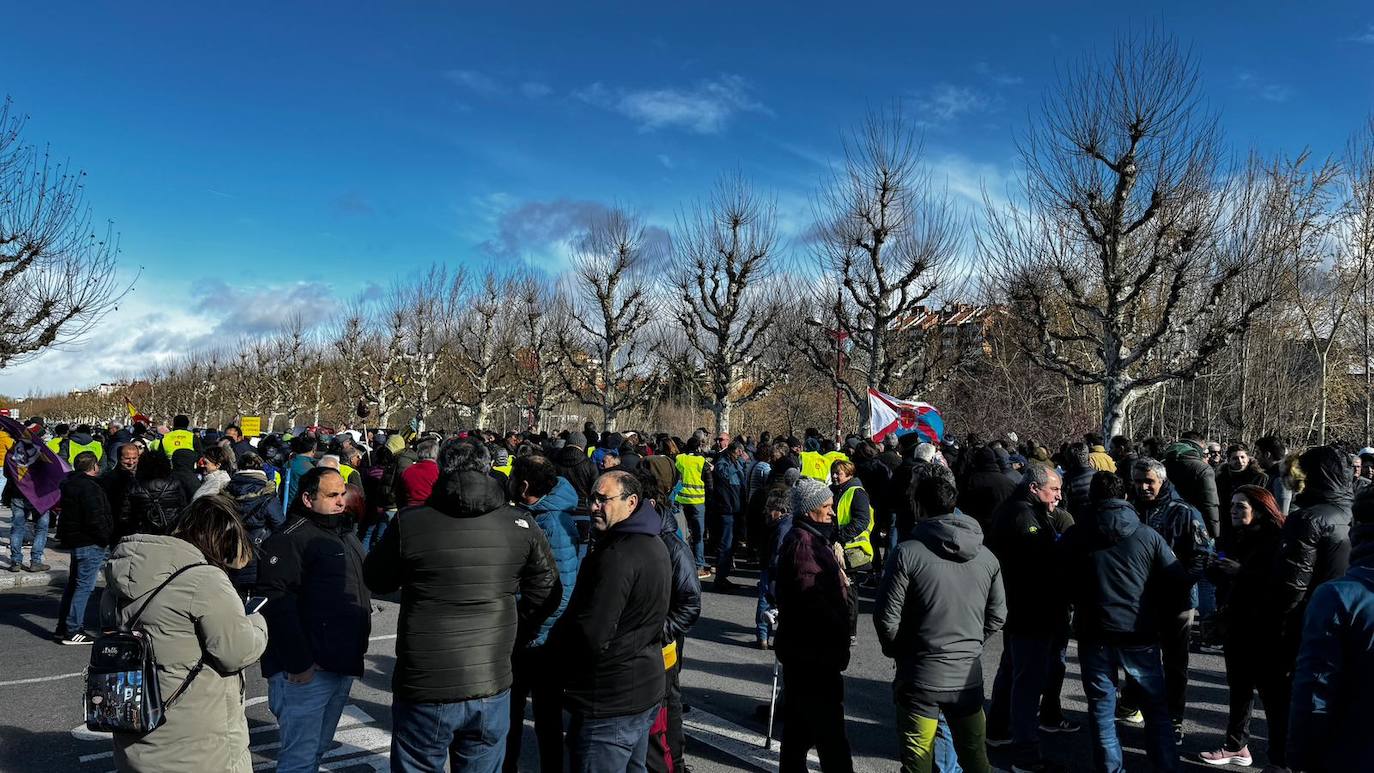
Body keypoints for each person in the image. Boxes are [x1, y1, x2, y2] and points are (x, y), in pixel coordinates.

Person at [364, 440, 559, 773]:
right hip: (488, 677)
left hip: (428, 681)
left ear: (443, 469)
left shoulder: (412, 523)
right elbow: (548, 590)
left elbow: (377, 579)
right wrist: (515, 628)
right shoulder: (518, 524)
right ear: (488, 469)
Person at [100, 494, 268, 772]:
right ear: (221, 540)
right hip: (199, 744)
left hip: (137, 728)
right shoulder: (204, 579)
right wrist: (257, 622)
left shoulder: (120, 578)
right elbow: (235, 652)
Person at [1059, 472, 1189, 773]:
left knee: (1102, 709)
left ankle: (1111, 769)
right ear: (1126, 497)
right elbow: (1178, 580)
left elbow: (1060, 579)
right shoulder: (1147, 535)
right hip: (1138, 630)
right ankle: (1166, 767)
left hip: (1094, 630)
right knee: (1156, 710)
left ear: (1091, 498)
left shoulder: (1075, 535)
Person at [875, 477, 1005, 773]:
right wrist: (972, 643)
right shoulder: (986, 556)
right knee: (975, 759)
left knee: (917, 761)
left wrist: (899, 651)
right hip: (966, 677)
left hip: (920, 675)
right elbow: (997, 615)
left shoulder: (907, 553)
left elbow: (886, 617)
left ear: (919, 507)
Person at [551, 471, 671, 773]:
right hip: (639, 689)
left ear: (631, 502)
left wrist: (561, 669)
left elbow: (593, 633)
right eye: (592, 499)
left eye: (603, 500)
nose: (593, 506)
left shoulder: (619, 555)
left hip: (610, 699)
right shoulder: (651, 542)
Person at [257, 467, 372, 773]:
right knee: (300, 758)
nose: (340, 502)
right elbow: (276, 604)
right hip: (307, 671)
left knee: (317, 750)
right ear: (308, 499)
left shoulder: (344, 534)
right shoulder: (289, 539)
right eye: (332, 495)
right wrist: (299, 663)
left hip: (341, 661)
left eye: (342, 494)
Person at [985, 464, 1075, 771]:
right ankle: (1025, 754)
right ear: (1035, 488)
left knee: (1011, 670)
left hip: (1020, 607)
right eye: (1054, 490)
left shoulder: (1018, 510)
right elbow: (1038, 563)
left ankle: (998, 730)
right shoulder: (1025, 517)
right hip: (1032, 609)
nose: (1059, 497)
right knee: (1027, 681)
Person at [1121, 457, 1211, 742]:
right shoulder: (1131, 510)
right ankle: (1132, 702)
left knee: (1174, 663)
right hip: (1140, 600)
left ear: (1162, 480)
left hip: (1177, 601)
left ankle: (1174, 718)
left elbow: (1204, 553)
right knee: (1138, 655)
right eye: (1138, 481)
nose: (1143, 487)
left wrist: (1180, 582)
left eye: (1149, 481)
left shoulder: (1184, 512)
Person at [1197, 485, 1287, 768]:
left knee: (1273, 697)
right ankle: (1236, 746)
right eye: (1232, 505)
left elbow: (1281, 585)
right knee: (1239, 688)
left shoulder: (1277, 541)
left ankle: (1280, 756)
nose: (1233, 511)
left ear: (1259, 510)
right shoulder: (1232, 537)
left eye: (1241, 507)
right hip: (1236, 624)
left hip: (1266, 628)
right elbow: (1222, 576)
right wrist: (1214, 566)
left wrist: (1241, 573)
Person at [503, 455, 583, 773]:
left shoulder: (549, 522)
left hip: (539, 639)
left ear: (523, 486)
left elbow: (558, 591)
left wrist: (528, 629)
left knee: (543, 717)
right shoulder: (541, 511)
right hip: (537, 633)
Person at [1287, 488, 1374, 772]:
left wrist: (1300, 756)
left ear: (1357, 528)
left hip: (1351, 751)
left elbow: (1315, 690)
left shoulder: (1338, 597)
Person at [774, 477, 856, 773]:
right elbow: (813, 605)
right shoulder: (803, 545)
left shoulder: (813, 539)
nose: (832, 512)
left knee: (799, 730)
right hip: (813, 655)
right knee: (829, 735)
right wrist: (840, 626)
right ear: (810, 511)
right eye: (826, 506)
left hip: (807, 653)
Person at [54, 451, 113, 644]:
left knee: (74, 585)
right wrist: (104, 537)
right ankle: (73, 629)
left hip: (77, 540)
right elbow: (95, 517)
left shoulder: (71, 484)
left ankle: (63, 627)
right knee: (83, 587)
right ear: (94, 466)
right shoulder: (90, 488)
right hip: (89, 541)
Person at [223, 452, 285, 592]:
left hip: (228, 548)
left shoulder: (225, 491)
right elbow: (279, 525)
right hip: (259, 550)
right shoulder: (267, 494)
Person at [1163, 434, 1221, 540]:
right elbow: (1210, 504)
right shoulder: (1203, 469)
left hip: (1164, 523)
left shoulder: (1162, 463)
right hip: (1195, 525)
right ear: (1199, 447)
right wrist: (1214, 534)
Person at [1214, 444, 1270, 552]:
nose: (1239, 461)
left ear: (1248, 458)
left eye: (1242, 457)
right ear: (1229, 460)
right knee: (1223, 552)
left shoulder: (1259, 477)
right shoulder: (1221, 477)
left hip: (1250, 523)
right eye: (1235, 458)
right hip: (1226, 521)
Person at [125, 448, 190, 536]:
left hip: (143, 532)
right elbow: (183, 506)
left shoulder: (134, 486)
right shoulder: (174, 483)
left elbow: (126, 514)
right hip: (170, 530)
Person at [673, 437, 712, 580]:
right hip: (697, 502)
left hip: (681, 500)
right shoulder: (702, 461)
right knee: (698, 535)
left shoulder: (679, 458)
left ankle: (680, 562)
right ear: (698, 448)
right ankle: (699, 565)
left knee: (681, 534)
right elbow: (709, 483)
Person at [710, 441, 746, 591]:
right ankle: (720, 578)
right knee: (725, 544)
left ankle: (724, 576)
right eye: (740, 452)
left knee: (732, 545)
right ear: (734, 451)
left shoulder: (736, 463)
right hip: (727, 509)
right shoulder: (723, 463)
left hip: (736, 509)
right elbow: (723, 475)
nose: (741, 454)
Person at [956, 446, 1017, 529]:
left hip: (975, 526)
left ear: (977, 461)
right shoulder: (1010, 483)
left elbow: (962, 504)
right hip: (1002, 529)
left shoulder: (972, 480)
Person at [396, 437, 440, 507]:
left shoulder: (407, 471)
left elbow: (399, 496)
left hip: (409, 510)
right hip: (432, 510)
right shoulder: (439, 472)